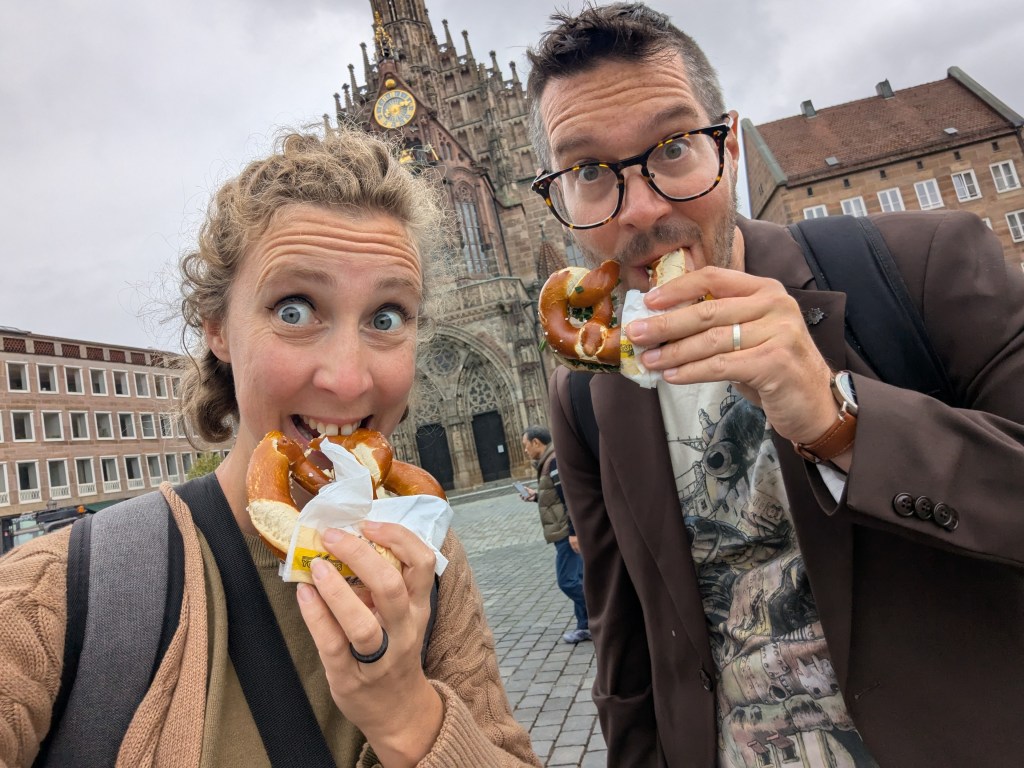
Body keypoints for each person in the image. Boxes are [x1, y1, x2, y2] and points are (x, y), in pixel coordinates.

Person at [526, 4, 1024, 767]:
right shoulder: (588, 396)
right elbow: (625, 655)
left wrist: (840, 424)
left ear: (728, 146)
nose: (647, 209)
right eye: (591, 172)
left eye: (672, 147)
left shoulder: (923, 267)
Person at [0, 129, 541, 767]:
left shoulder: (425, 559)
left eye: (387, 316)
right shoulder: (53, 596)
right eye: (294, 309)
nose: (349, 378)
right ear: (217, 329)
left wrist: (410, 718)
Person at [520, 426, 590, 645]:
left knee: (567, 581)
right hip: (561, 530)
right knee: (577, 579)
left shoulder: (553, 462)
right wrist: (536, 496)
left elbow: (569, 497)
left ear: (536, 443)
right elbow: (555, 496)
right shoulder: (549, 462)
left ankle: (603, 615)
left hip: (564, 533)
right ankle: (585, 625)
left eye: (525, 445)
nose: (525, 450)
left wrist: (573, 532)